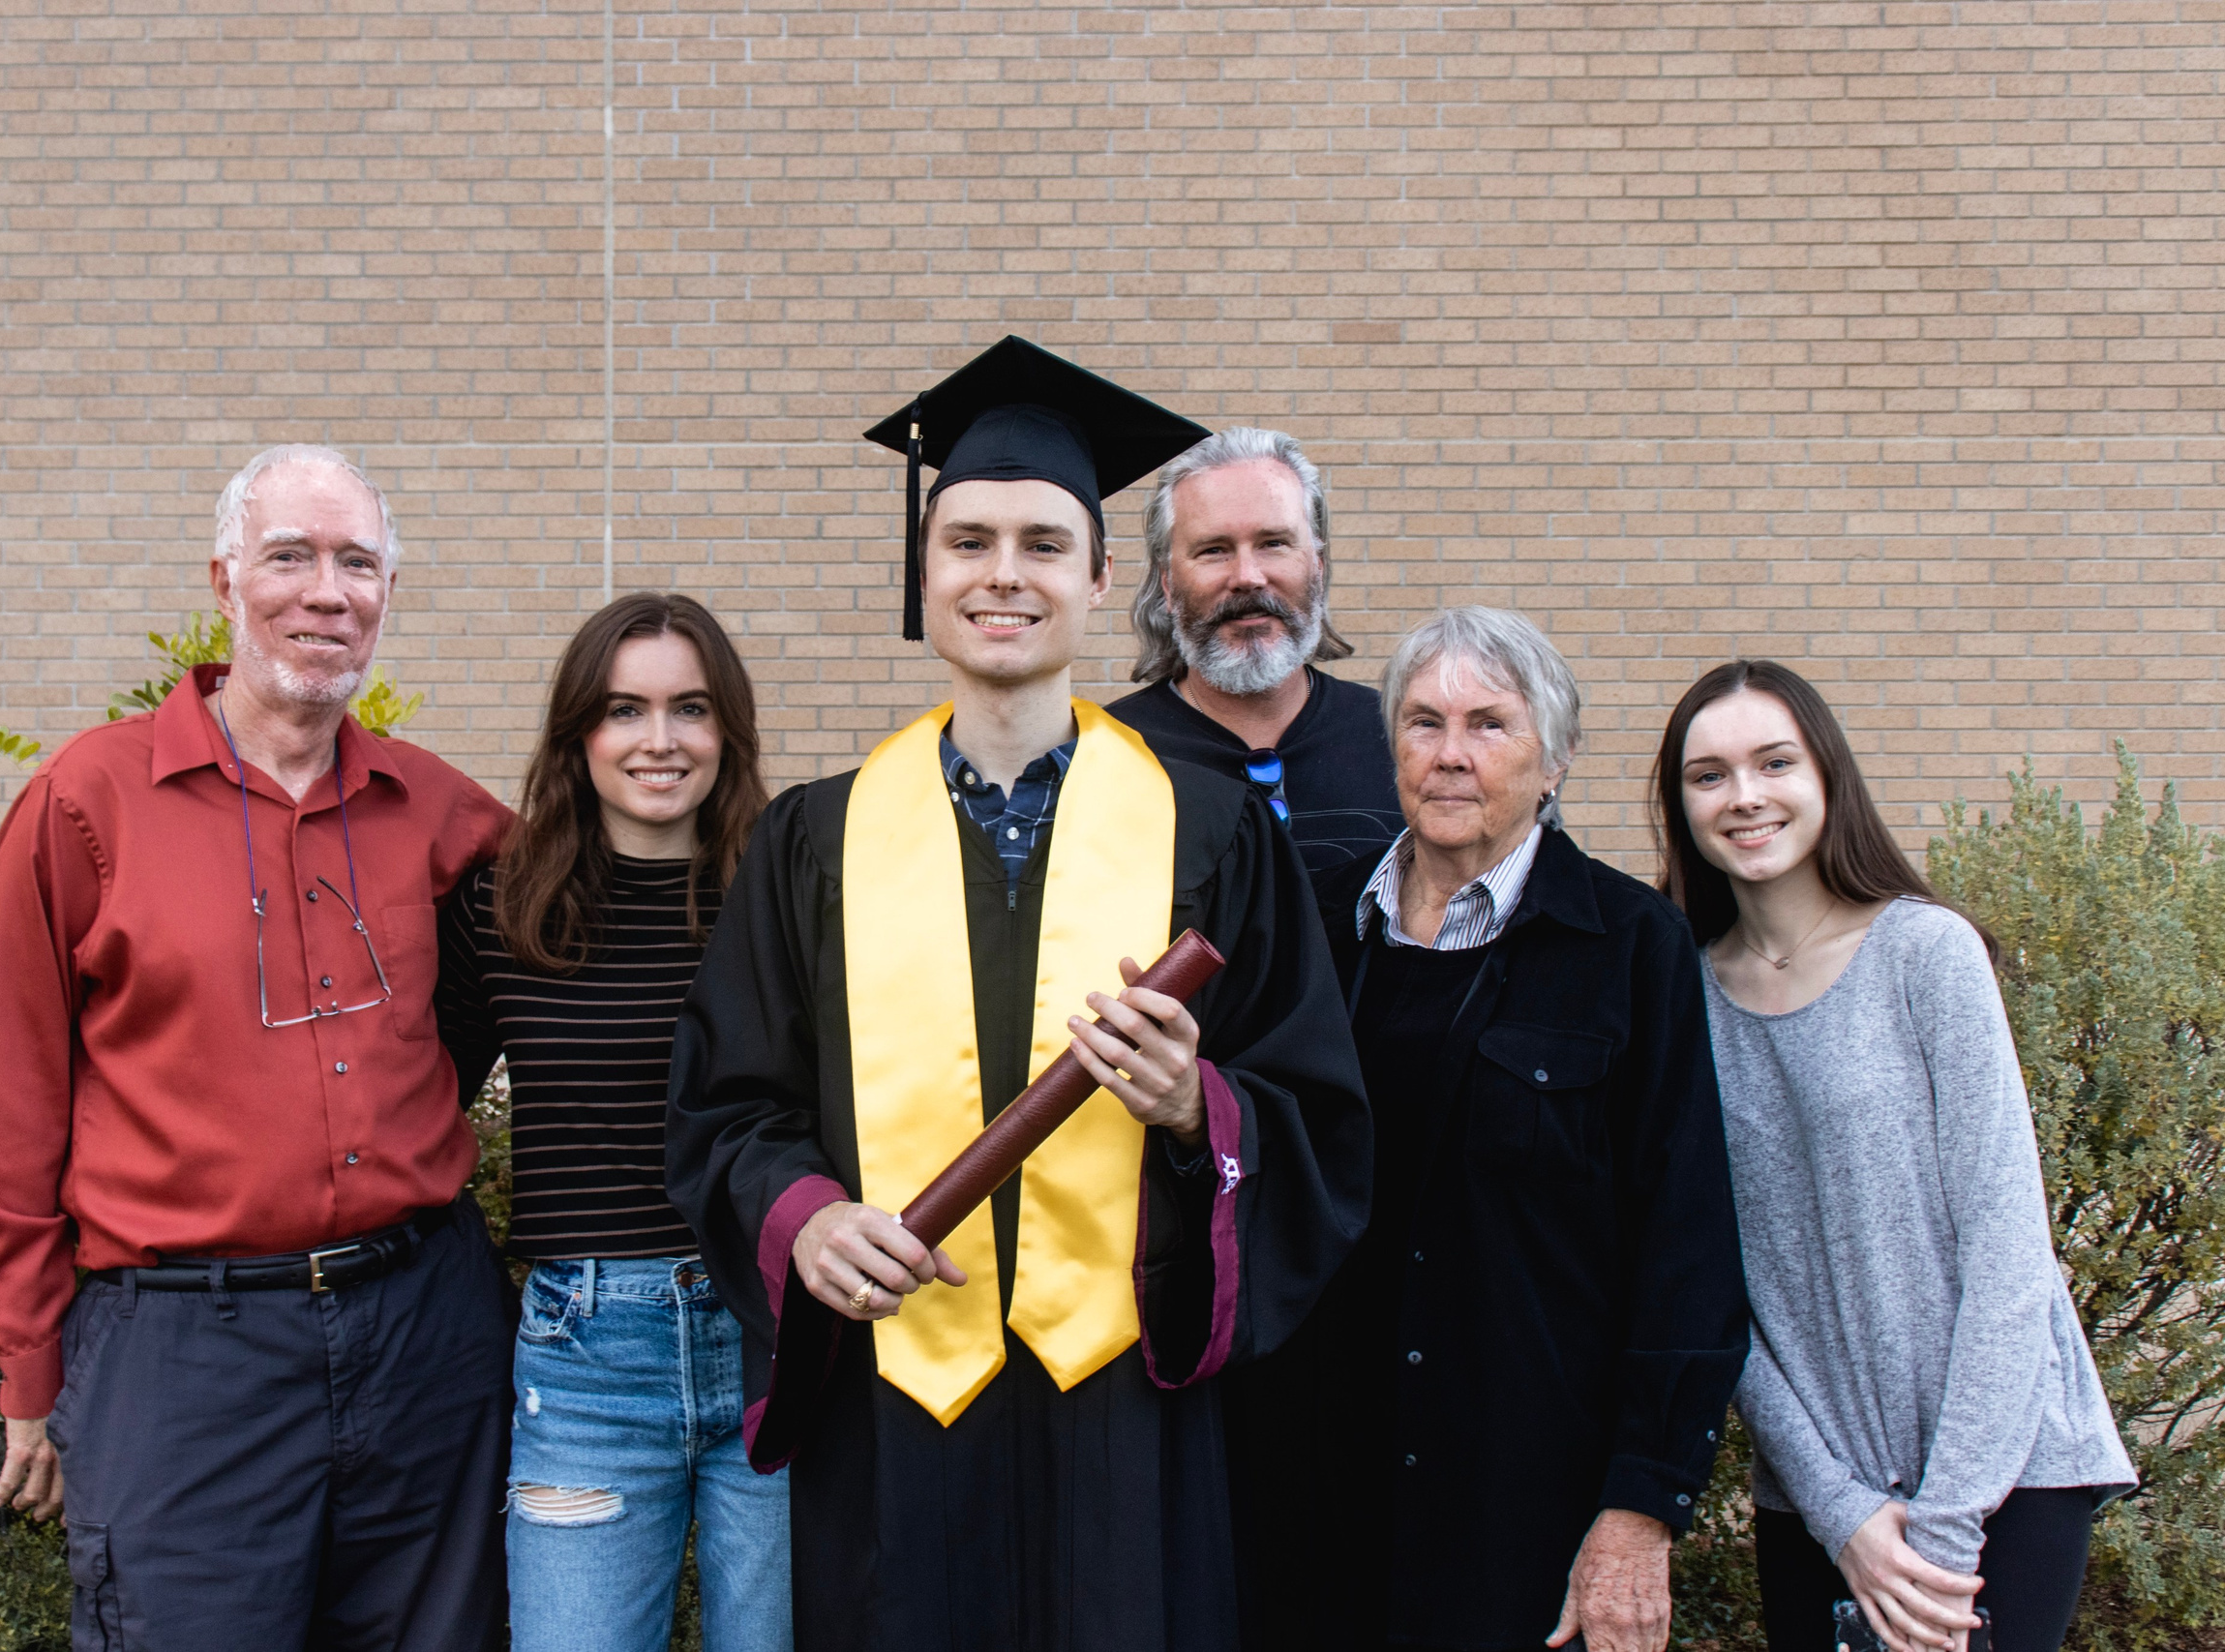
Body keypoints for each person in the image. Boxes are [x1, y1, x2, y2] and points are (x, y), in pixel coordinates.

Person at [663, 336, 1372, 1652]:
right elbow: (727, 1107)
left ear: (1104, 582)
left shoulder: (1208, 832)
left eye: (1045, 544)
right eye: (970, 540)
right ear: (922, 574)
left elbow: (1317, 1108)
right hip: (896, 1414)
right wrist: (804, 1218)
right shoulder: (814, 838)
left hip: (1127, 1418)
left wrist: (1195, 1106)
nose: (1004, 574)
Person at [0, 445, 519, 1651]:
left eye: (358, 562)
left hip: (425, 1335)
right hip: (186, 1352)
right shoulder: (90, 803)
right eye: (289, 556)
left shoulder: (440, 812)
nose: (326, 591)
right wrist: (29, 1365)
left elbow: (584, 950)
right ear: (225, 581)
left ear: (388, 592)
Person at [1244, 605, 1750, 1652]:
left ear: (1553, 759)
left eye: (1489, 725)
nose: (1450, 756)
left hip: (1524, 1506)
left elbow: (1687, 1246)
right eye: (1423, 724)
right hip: (1310, 1499)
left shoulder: (1628, 949)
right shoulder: (1314, 926)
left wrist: (1639, 1510)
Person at [1655, 659, 2136, 1652]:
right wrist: (1840, 1513)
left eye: (1772, 762)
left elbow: (2009, 1255)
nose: (1744, 796)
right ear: (1679, 804)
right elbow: (1712, 1289)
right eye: (1708, 775)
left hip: (2003, 1479)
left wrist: (1948, 1530)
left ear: (1827, 776)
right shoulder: (1679, 1001)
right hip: (1821, 1500)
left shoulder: (1926, 955)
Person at [435, 593, 789, 1652]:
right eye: (624, 710)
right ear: (577, 733)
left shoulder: (785, 892)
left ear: (726, 730)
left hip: (776, 1335)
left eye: (690, 709)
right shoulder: (500, 904)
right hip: (586, 1356)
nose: (659, 741)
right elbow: (410, 1108)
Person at [1105, 426, 1403, 882]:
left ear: (1318, 567)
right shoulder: (1106, 758)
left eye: (1273, 544)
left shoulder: (1399, 742)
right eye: (1213, 550)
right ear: (1167, 584)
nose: (1248, 576)